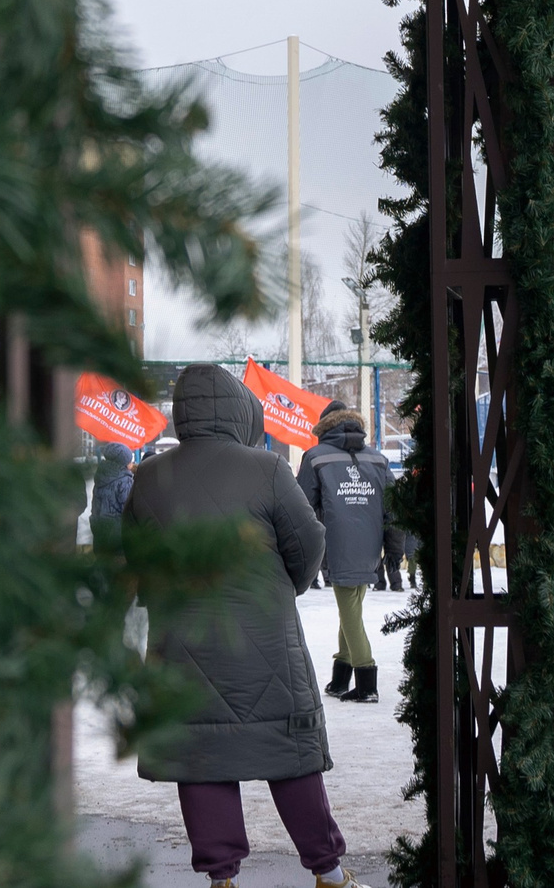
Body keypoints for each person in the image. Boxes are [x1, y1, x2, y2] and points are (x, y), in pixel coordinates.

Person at [127, 364, 356, 888]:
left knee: (201, 757)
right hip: (266, 642)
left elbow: (138, 559)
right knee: (289, 752)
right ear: (238, 412)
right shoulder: (268, 469)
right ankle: (329, 872)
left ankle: (221, 879)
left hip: (182, 645)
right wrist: (284, 586)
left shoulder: (150, 477)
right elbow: (309, 545)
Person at [300, 403, 396, 704]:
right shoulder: (378, 459)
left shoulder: (316, 457)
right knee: (350, 609)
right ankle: (340, 678)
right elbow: (394, 506)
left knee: (350, 613)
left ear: (325, 427)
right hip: (371, 547)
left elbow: (301, 506)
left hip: (337, 545)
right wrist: (394, 548)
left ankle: (366, 680)